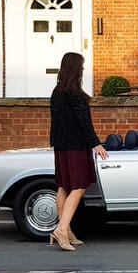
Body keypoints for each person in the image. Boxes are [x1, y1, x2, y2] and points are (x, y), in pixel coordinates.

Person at [48, 52, 108, 251]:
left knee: (64, 186)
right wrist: (96, 143)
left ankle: (68, 231)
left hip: (61, 146)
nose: (83, 69)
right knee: (79, 186)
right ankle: (62, 229)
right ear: (75, 69)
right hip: (75, 146)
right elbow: (85, 122)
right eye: (81, 66)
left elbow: (55, 122)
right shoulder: (75, 94)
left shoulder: (57, 91)